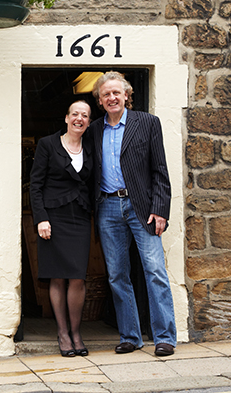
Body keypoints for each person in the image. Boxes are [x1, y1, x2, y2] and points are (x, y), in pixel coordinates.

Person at [88, 71, 177, 357]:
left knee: (155, 271)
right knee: (117, 275)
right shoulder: (94, 130)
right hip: (108, 207)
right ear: (100, 101)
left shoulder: (148, 123)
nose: (111, 98)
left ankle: (165, 337)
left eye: (116, 93)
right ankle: (130, 336)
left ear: (127, 95)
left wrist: (160, 209)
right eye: (106, 95)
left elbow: (159, 170)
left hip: (142, 208)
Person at [29, 100, 93, 357]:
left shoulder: (91, 145)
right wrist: (41, 218)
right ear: (66, 118)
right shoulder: (47, 144)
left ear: (89, 121)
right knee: (57, 276)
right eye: (75, 114)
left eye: (85, 115)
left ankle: (77, 333)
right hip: (53, 217)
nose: (80, 118)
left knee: (77, 276)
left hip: (79, 217)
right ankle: (63, 333)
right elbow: (36, 185)